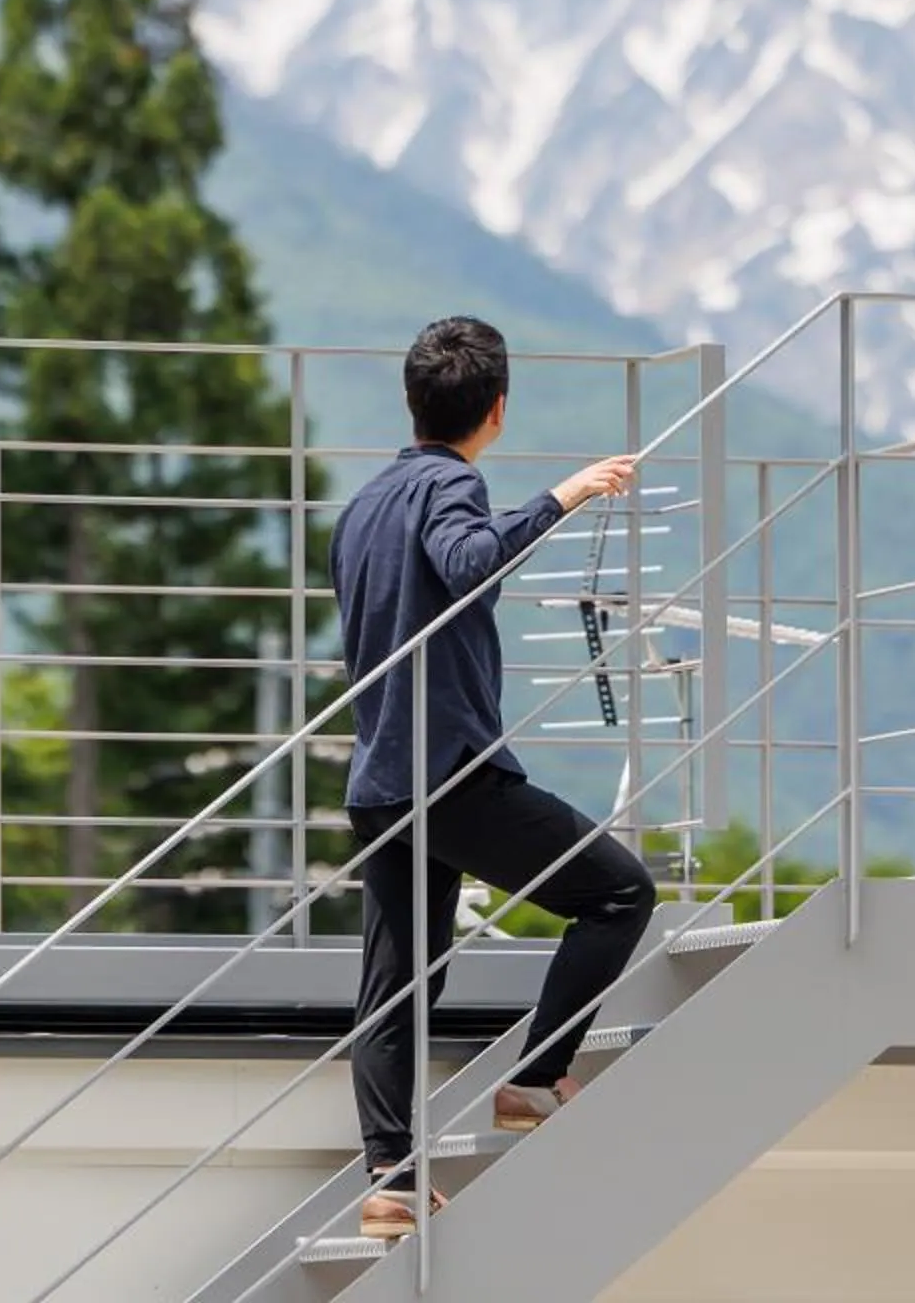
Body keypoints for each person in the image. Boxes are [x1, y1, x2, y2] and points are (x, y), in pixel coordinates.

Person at [334, 315, 655, 1239]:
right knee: (619, 894)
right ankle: (534, 1078)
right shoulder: (452, 484)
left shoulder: (363, 506)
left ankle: (391, 1178)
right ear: (497, 410)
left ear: (411, 399)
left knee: (398, 987)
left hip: (381, 781)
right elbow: (469, 561)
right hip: (451, 777)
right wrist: (565, 496)